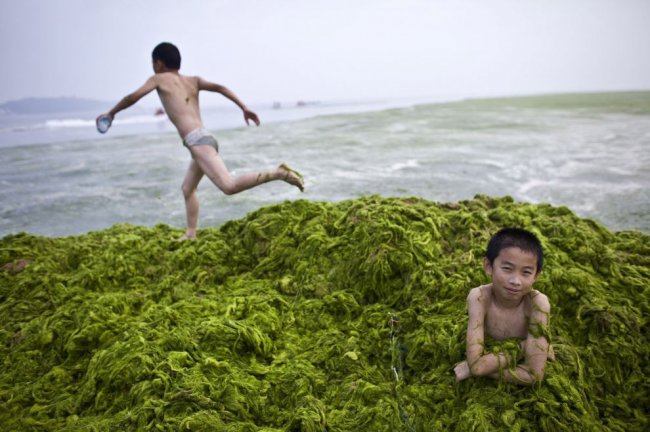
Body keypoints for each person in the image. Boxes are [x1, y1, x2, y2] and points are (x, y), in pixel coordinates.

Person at [97, 42, 304, 240]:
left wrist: (112, 113)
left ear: (158, 63)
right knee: (188, 189)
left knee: (229, 186)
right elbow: (221, 87)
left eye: (153, 63)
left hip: (197, 142)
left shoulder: (158, 79)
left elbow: (132, 97)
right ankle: (191, 234)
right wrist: (244, 107)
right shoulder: (193, 80)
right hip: (205, 138)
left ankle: (278, 173)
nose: (153, 67)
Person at [454, 227, 553, 385]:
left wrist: (484, 369)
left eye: (526, 272)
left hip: (494, 360)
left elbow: (534, 376)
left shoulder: (537, 304)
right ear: (488, 266)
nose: (515, 281)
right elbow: (477, 367)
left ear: (536, 276)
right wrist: (524, 346)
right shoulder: (479, 297)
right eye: (507, 269)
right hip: (503, 357)